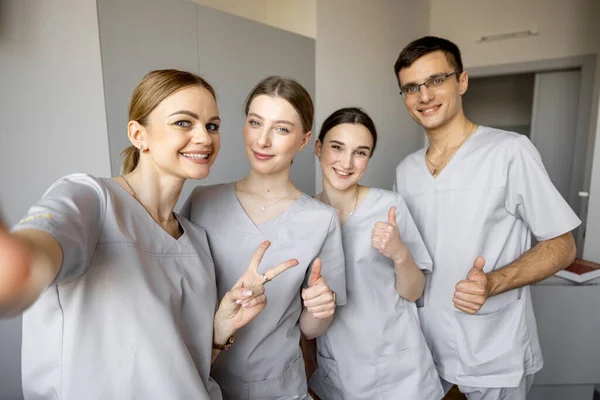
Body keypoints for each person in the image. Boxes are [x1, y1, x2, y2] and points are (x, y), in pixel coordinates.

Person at [0, 69, 297, 399]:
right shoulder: (91, 200)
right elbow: (23, 266)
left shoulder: (196, 240)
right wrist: (16, 265)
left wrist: (222, 328)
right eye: (184, 122)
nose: (204, 137)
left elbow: (183, 365)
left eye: (212, 125)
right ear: (138, 134)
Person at [393, 36, 580, 399]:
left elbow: (562, 245)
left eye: (436, 80)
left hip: (493, 348)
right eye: (411, 87)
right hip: (424, 347)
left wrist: (492, 282)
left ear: (461, 81)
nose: (424, 96)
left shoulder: (510, 152)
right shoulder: (406, 171)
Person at [181, 76, 347, 399]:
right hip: (203, 381)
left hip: (279, 387)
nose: (262, 140)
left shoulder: (320, 220)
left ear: (304, 140)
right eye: (255, 123)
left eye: (281, 129)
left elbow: (311, 329)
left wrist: (319, 310)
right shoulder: (202, 202)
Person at [307, 107, 443, 400]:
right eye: (337, 147)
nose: (346, 162)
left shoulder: (389, 206)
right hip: (341, 366)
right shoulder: (304, 215)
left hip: (400, 364)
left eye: (360, 152)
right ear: (318, 148)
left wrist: (399, 253)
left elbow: (414, 291)